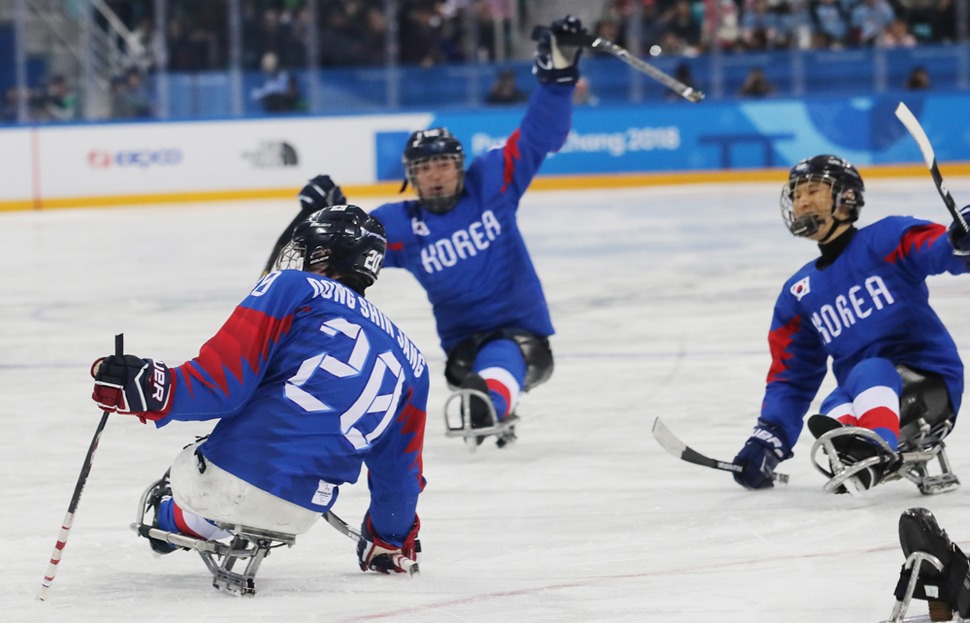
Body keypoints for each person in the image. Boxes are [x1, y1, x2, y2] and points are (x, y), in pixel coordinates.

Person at [265, 15, 586, 448]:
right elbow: (353, 243)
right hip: (462, 353)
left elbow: (540, 136)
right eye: (424, 168)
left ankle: (491, 400)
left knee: (505, 353)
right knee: (485, 359)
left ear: (460, 166)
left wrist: (558, 77)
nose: (435, 176)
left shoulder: (491, 183)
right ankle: (485, 396)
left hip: (525, 338)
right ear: (411, 176)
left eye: (443, 165)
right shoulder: (402, 223)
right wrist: (332, 211)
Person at [91, 205, 428, 587]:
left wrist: (146, 384)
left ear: (322, 255)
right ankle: (211, 514)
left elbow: (220, 387)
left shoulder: (293, 287)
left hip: (228, 477)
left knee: (211, 463)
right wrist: (390, 539)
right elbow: (400, 474)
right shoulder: (414, 361)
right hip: (304, 510)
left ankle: (175, 518)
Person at [732, 155, 969, 493]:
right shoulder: (798, 293)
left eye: (814, 190)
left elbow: (934, 248)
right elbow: (791, 377)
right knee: (833, 404)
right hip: (874, 395)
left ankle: (875, 450)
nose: (801, 200)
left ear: (846, 199)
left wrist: (958, 243)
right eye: (797, 194)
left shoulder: (884, 239)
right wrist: (769, 439)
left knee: (867, 370)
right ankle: (858, 459)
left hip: (931, 383)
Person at [889, 507, 970, 621]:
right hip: (947, 581)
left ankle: (941, 608)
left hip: (927, 575)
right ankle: (951, 609)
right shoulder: (948, 557)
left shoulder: (914, 559)